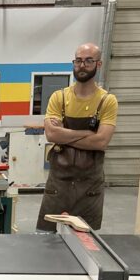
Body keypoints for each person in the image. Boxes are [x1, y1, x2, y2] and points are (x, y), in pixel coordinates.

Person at [37, 43, 118, 232]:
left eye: (89, 61)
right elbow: (51, 134)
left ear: (98, 64)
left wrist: (65, 134)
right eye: (78, 61)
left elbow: (101, 141)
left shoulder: (107, 101)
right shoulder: (59, 97)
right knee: (48, 241)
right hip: (59, 183)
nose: (82, 65)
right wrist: (87, 134)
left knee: (85, 242)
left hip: (89, 186)